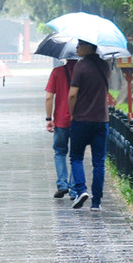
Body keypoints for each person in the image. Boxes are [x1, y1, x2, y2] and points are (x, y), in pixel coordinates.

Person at [67, 40, 112, 211]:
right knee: (99, 162)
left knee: (76, 157)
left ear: (90, 47)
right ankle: (96, 202)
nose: (77, 47)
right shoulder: (105, 66)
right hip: (101, 120)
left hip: (81, 119)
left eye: (80, 44)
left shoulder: (81, 66)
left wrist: (73, 113)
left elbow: (72, 94)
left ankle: (81, 190)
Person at [45, 58, 79, 200]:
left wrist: (48, 119)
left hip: (60, 120)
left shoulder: (57, 72)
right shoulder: (83, 72)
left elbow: (49, 97)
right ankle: (73, 189)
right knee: (76, 156)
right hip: (79, 119)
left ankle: (62, 184)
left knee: (60, 153)